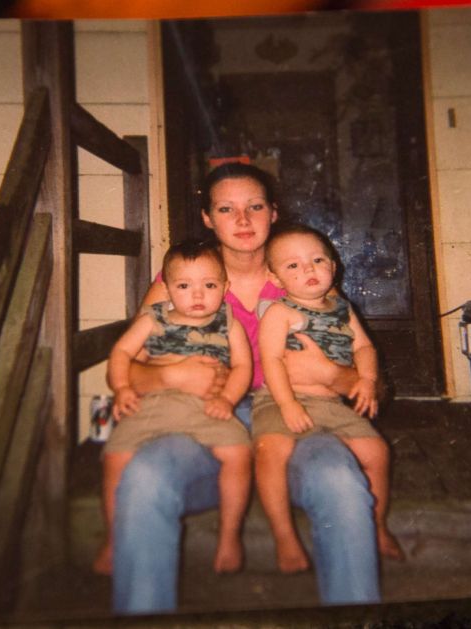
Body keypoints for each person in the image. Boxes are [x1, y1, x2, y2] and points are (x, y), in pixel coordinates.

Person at [111, 162, 381, 614]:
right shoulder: (180, 283)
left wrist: (333, 375)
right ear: (207, 218)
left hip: (298, 416)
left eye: (254, 206)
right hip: (204, 422)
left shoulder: (308, 277)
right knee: (145, 477)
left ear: (273, 213)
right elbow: (129, 369)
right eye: (226, 208)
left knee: (339, 479)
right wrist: (168, 377)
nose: (242, 220)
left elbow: (373, 388)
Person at [93, 240, 253, 576]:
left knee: (238, 450)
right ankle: (114, 539)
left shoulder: (228, 322)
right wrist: (122, 387)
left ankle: (229, 536)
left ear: (225, 288)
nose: (198, 296)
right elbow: (121, 353)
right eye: (184, 286)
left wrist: (227, 399)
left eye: (209, 285)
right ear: (164, 288)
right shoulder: (153, 319)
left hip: (208, 404)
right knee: (116, 456)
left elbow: (242, 367)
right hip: (156, 404)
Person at [254, 223, 402, 573]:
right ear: (275, 279)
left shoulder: (342, 308)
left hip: (332, 405)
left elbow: (363, 346)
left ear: (333, 267)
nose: (307, 269)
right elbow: (271, 360)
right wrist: (288, 404)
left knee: (377, 451)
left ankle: (376, 526)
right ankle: (284, 536)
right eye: (292, 265)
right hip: (280, 398)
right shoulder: (279, 312)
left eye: (317, 259)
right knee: (272, 450)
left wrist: (366, 379)